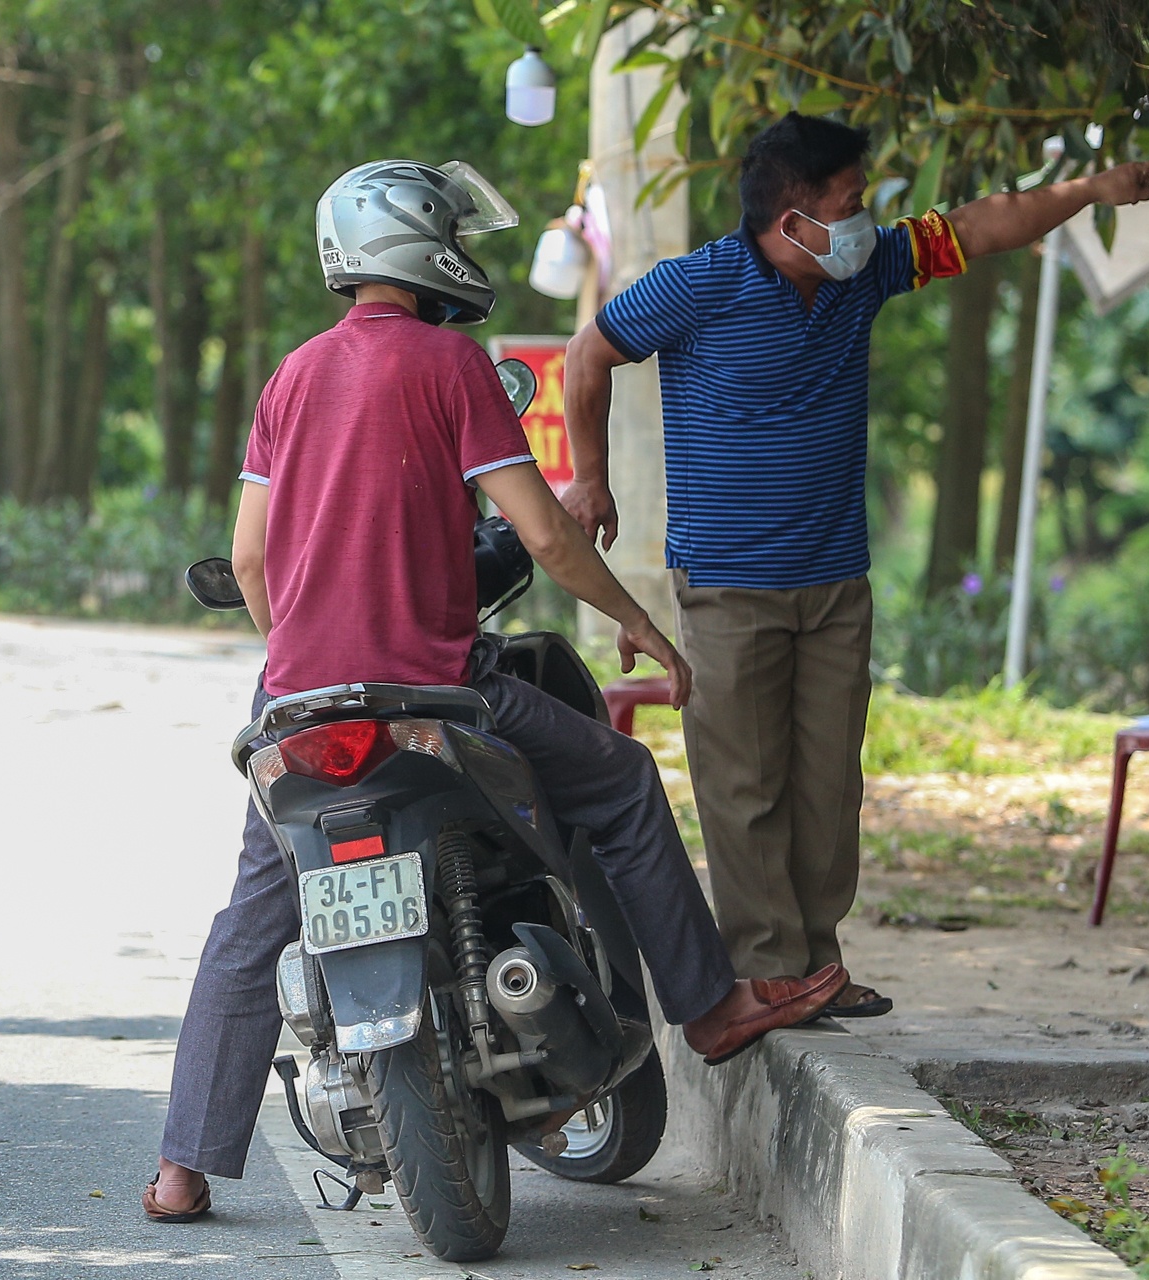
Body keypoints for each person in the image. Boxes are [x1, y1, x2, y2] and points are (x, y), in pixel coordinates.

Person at [144, 159, 846, 1224]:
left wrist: (304, 660)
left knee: (252, 917)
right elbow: (547, 531)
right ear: (425, 245)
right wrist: (639, 620)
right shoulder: (452, 364)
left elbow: (249, 560)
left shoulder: (288, 378)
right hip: (437, 694)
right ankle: (706, 1009)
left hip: (297, 711)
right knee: (618, 779)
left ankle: (182, 1167)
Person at [560, 116, 1149, 1015]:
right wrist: (592, 479)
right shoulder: (700, 284)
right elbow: (589, 354)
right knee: (745, 782)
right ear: (795, 217)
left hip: (836, 576)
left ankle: (816, 962)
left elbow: (980, 224)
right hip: (729, 582)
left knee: (826, 780)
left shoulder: (867, 269)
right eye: (850, 202)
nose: (866, 218)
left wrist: (1085, 192)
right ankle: (767, 967)